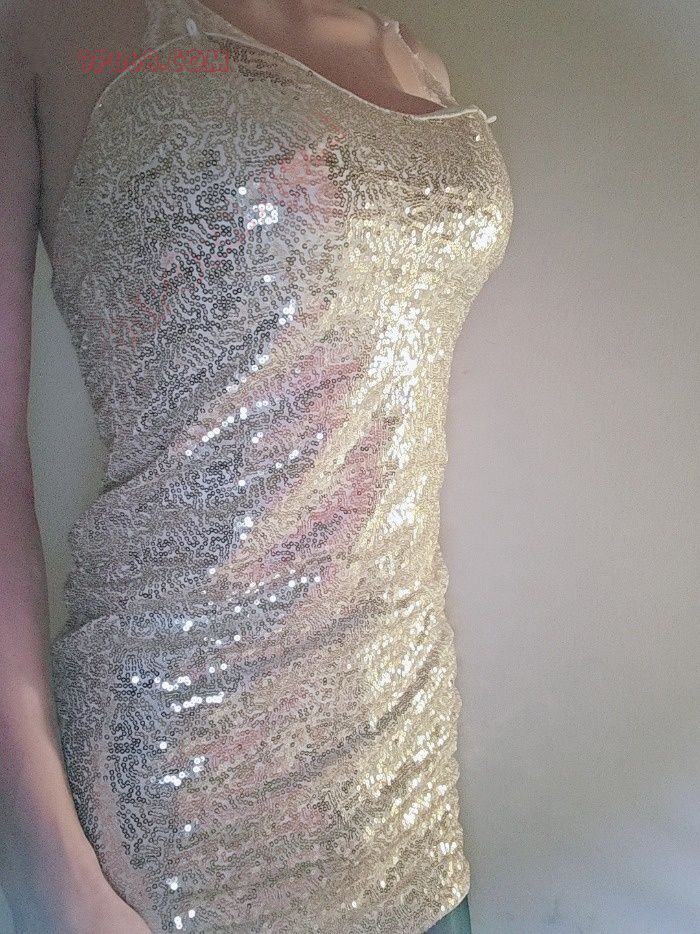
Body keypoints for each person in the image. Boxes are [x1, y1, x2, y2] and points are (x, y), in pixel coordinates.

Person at [0, 0, 511, 929]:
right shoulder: (54, 29)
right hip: (182, 807)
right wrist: (49, 867)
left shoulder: (415, 61)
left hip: (405, 788)